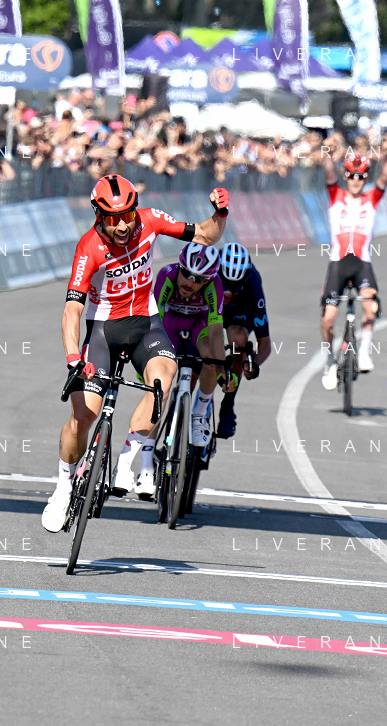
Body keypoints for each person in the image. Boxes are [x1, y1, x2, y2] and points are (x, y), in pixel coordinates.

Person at [42, 175, 230, 533]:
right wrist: (73, 357)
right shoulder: (89, 247)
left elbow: (206, 235)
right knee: (83, 416)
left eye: (128, 215)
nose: (124, 226)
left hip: (146, 324)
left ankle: (127, 459)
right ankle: (63, 487)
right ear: (99, 217)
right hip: (103, 330)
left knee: (163, 380)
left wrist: (220, 213)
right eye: (114, 219)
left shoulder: (150, 221)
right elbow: (72, 310)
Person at [110, 243, 226, 498]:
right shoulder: (167, 275)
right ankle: (146, 467)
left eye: (199, 279)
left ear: (208, 280)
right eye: (187, 274)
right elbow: (154, 322)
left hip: (198, 327)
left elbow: (216, 330)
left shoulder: (215, 285)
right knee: (158, 390)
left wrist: (220, 366)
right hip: (167, 326)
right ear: (180, 268)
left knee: (211, 355)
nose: (190, 283)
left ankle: (199, 412)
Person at [320, 145, 387, 390]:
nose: (355, 180)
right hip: (338, 263)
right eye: (351, 175)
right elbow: (329, 173)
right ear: (345, 175)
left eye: (360, 176)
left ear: (366, 178)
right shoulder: (336, 196)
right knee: (328, 319)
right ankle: (330, 361)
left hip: (362, 263)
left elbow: (385, 178)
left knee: (370, 308)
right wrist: (328, 153)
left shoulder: (371, 199)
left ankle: (363, 352)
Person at [216, 242, 271, 437]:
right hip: (210, 305)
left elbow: (265, 343)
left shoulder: (253, 282)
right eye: (225, 285)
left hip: (238, 312)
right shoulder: (208, 273)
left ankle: (227, 405)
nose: (228, 292)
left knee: (238, 342)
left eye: (235, 287)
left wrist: (253, 364)